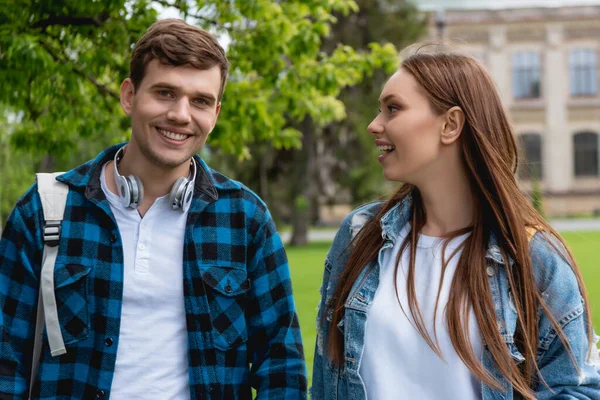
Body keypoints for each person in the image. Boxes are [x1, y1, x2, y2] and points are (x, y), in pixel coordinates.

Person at [0, 19, 307, 399]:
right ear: (129, 96)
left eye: (200, 101)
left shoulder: (245, 218)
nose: (181, 114)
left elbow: (282, 368)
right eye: (165, 93)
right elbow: (6, 360)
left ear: (216, 113)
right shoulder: (45, 209)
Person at [311, 43, 600, 400]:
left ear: (451, 124)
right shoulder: (359, 235)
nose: (374, 125)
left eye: (393, 109)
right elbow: (326, 383)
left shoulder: (534, 257)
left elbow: (576, 391)